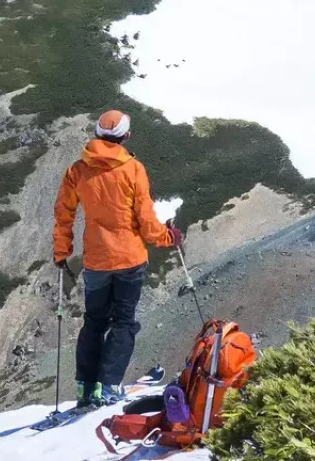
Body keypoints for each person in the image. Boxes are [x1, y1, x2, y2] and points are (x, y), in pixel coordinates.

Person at [53, 109, 183, 407]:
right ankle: (110, 386)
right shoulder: (133, 169)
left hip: (96, 260)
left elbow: (64, 214)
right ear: (125, 136)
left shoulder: (78, 170)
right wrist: (168, 238)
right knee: (123, 322)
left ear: (98, 134)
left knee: (94, 322)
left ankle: (86, 389)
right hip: (130, 260)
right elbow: (147, 222)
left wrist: (62, 252)